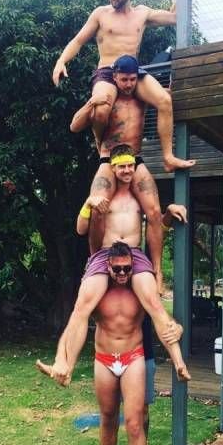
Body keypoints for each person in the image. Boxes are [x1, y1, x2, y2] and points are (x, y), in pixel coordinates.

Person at [48, 144, 191, 387]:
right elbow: (80, 229)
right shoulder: (103, 197)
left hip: (133, 253)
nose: (127, 170)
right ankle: (67, 367)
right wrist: (88, 204)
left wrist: (169, 212)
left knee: (155, 304)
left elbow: (156, 224)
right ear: (112, 168)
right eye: (122, 166)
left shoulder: (138, 198)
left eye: (130, 166)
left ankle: (179, 363)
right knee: (82, 307)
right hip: (105, 253)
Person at [38, 242, 153, 445]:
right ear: (108, 267)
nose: (123, 273)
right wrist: (64, 361)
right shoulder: (96, 289)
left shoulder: (140, 287)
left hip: (133, 356)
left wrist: (177, 356)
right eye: (118, 269)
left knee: (135, 423)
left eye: (128, 268)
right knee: (107, 417)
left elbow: (160, 315)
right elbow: (76, 319)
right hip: (104, 359)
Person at [52, 0, 196, 173]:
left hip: (133, 72)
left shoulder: (142, 13)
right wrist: (61, 61)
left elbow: (174, 17)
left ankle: (168, 158)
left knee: (164, 100)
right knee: (101, 110)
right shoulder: (101, 14)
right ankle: (101, 147)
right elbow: (78, 41)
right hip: (107, 72)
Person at [70, 54, 190, 293]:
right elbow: (74, 126)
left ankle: (157, 272)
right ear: (114, 77)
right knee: (97, 208)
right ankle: (94, 262)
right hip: (109, 159)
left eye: (132, 79)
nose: (128, 84)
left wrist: (169, 90)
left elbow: (164, 101)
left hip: (135, 158)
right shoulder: (106, 98)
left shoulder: (142, 96)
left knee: (154, 212)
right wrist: (92, 103)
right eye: (124, 80)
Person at [90, 204, 188, 445]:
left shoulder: (140, 269)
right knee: (109, 410)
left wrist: (166, 214)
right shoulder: (104, 271)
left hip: (140, 350)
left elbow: (157, 231)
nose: (123, 271)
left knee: (141, 409)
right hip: (110, 352)